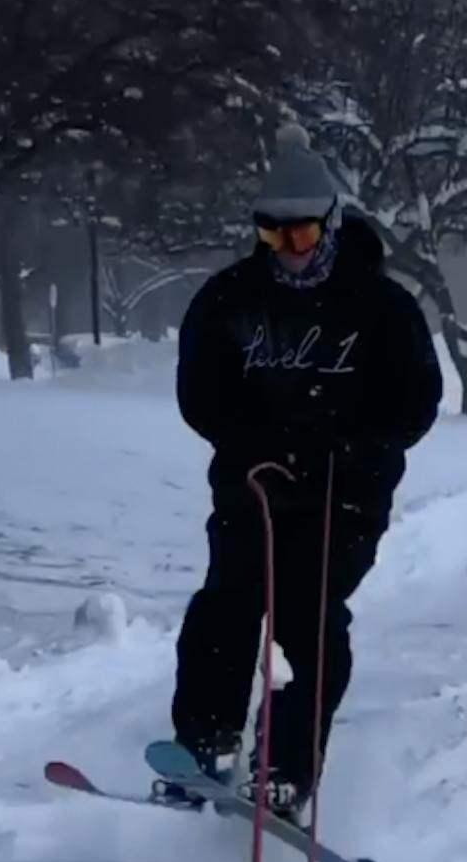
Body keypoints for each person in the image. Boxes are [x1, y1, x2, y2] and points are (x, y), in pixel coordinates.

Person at [170, 122, 443, 823]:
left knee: (307, 617)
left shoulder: (383, 309)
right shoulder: (230, 300)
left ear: (329, 225)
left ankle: (283, 767)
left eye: (298, 236)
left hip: (342, 496)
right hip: (253, 485)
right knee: (226, 608)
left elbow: (415, 402)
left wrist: (350, 451)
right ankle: (205, 743)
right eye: (270, 237)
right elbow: (201, 392)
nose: (286, 253)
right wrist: (251, 440)